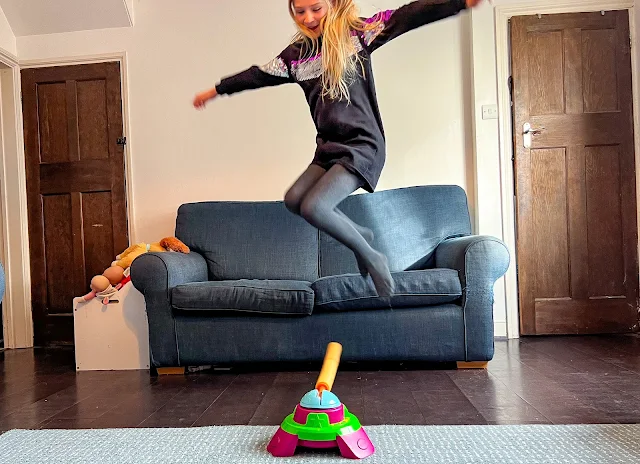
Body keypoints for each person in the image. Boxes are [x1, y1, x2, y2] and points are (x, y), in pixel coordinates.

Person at [193, 0, 482, 297]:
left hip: (362, 146)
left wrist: (458, 3)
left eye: (316, 8)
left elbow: (407, 16)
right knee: (294, 199)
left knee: (315, 206)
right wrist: (216, 90)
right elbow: (256, 75)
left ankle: (371, 254)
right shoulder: (295, 58)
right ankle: (361, 234)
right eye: (300, 11)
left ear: (332, 4)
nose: (309, 17)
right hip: (328, 148)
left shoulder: (356, 36)